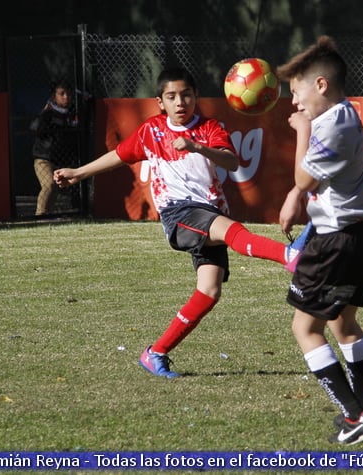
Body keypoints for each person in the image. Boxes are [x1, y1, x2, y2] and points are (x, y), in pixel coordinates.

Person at [54, 67, 300, 378]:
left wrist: (198, 147)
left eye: (186, 95)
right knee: (230, 231)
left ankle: (155, 352)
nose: (180, 102)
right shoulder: (152, 131)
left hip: (208, 209)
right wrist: (78, 173)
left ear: (196, 97)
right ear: (160, 102)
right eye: (171, 97)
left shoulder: (209, 128)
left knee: (209, 292)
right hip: (178, 213)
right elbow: (119, 154)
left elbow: (231, 160)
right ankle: (289, 257)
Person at [276, 36, 363, 445]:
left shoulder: (329, 123)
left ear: (320, 85)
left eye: (297, 92)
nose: (294, 103)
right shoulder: (345, 114)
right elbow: (311, 185)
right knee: (344, 325)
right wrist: (295, 197)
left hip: (337, 242)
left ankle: (355, 413)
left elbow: (304, 178)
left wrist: (302, 130)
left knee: (306, 328)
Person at [30, 81, 79, 216]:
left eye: (68, 94)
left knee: (55, 188)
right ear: (54, 96)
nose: (66, 97)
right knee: (49, 185)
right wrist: (45, 116)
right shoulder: (48, 113)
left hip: (62, 160)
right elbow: (34, 128)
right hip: (43, 159)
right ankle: (40, 216)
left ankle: (49, 216)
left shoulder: (74, 112)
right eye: (61, 94)